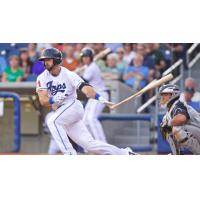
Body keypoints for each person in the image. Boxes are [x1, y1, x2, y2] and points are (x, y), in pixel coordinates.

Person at [36, 47, 135, 155]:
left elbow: (86, 89)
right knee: (90, 145)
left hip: (72, 107)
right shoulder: (42, 78)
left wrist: (100, 98)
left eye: (48, 60)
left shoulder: (69, 74)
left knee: (52, 121)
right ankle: (124, 153)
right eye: (44, 60)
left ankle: (69, 154)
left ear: (56, 60)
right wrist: (53, 99)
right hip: (62, 113)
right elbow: (42, 100)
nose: (45, 63)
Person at [159, 84, 200, 154]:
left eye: (165, 94)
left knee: (177, 128)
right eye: (162, 94)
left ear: (173, 94)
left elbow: (182, 118)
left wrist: (168, 123)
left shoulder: (178, 105)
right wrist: (166, 126)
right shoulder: (168, 114)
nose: (162, 97)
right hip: (196, 132)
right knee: (167, 129)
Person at [80, 47, 109, 142]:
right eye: (83, 57)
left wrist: (72, 76)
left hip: (100, 94)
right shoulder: (88, 67)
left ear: (91, 58)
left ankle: (102, 144)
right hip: (93, 96)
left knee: (92, 119)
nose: (85, 59)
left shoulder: (92, 67)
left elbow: (83, 82)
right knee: (85, 121)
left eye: (87, 57)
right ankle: (92, 144)